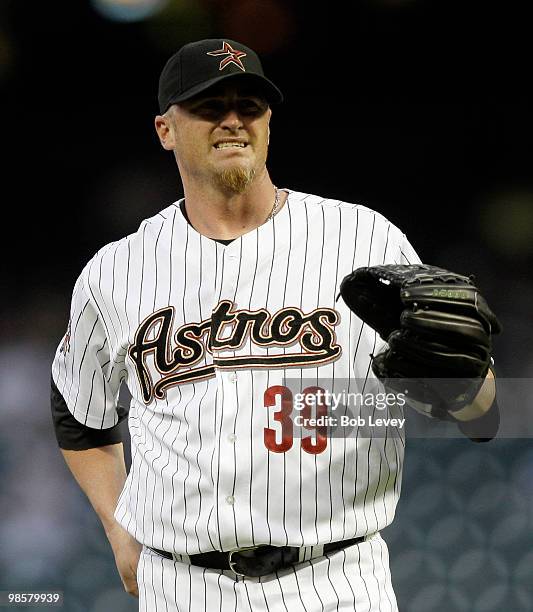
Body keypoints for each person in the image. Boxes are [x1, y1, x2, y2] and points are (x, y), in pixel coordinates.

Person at [51, 38, 499, 611]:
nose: (233, 120)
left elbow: (479, 415)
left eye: (250, 105)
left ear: (268, 122)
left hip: (337, 579)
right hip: (180, 586)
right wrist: (117, 529)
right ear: (165, 130)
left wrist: (469, 386)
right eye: (210, 106)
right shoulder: (114, 271)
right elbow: (77, 410)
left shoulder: (362, 239)